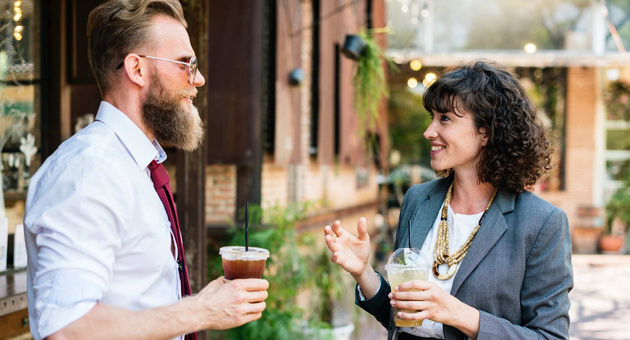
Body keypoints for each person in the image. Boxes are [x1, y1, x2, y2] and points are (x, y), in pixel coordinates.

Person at [24, 1, 268, 339]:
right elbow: (67, 330)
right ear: (137, 69)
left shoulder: (135, 166)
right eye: (186, 63)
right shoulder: (88, 171)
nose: (198, 79)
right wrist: (202, 310)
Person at [324, 61, 573, 340]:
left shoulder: (542, 222)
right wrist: (363, 272)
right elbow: (402, 320)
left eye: (445, 118)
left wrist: (458, 314)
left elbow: (549, 336)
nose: (429, 131)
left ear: (487, 131)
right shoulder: (418, 199)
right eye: (432, 117)